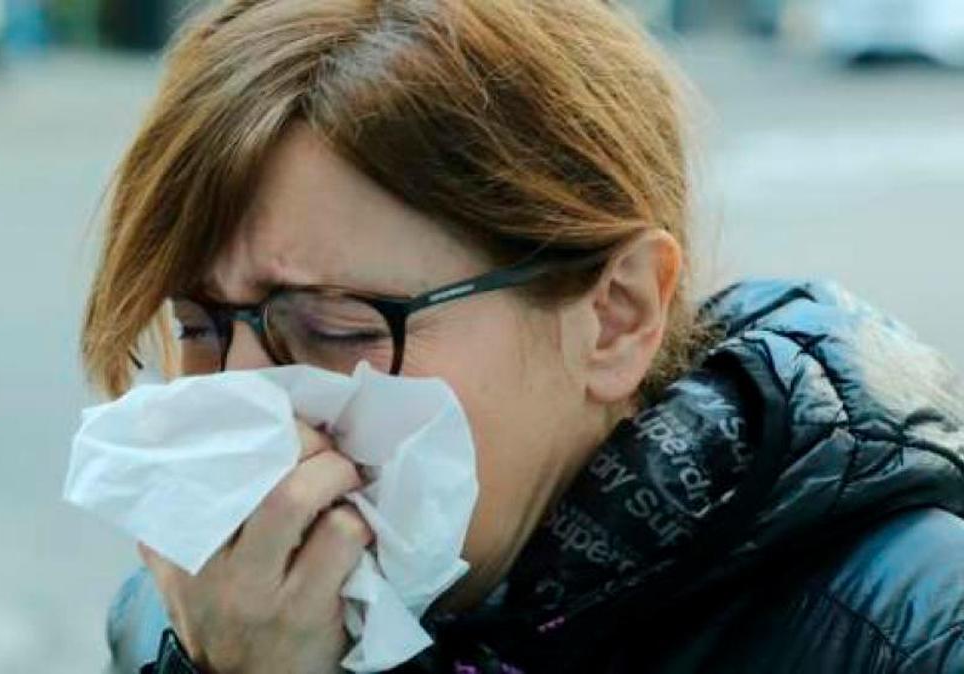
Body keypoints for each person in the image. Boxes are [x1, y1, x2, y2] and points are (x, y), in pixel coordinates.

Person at [78, 1, 964, 672]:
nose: (247, 403)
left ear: (616, 317)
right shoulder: (194, 615)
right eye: (196, 326)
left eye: (335, 328)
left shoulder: (909, 630)